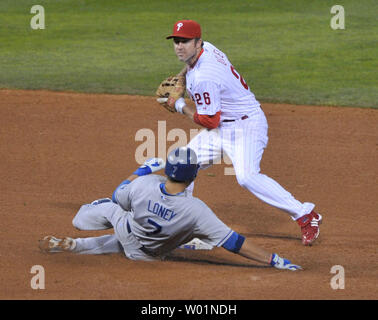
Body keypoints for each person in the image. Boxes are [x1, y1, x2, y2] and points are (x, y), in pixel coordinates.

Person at [161, 20, 322, 246]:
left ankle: (306, 215)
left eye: (185, 41)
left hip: (246, 127)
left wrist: (178, 105)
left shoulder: (206, 76)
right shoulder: (208, 49)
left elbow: (209, 120)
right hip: (223, 127)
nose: (179, 46)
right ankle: (182, 225)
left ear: (197, 42)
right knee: (186, 162)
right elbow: (192, 70)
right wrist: (182, 77)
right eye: (177, 41)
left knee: (247, 177)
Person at [39, 147, 301, 271]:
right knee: (131, 238)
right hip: (148, 254)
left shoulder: (145, 184)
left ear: (169, 169)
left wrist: (142, 169)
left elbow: (118, 194)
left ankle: (78, 229)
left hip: (128, 228)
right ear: (192, 177)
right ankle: (78, 245)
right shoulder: (196, 210)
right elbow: (234, 242)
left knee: (111, 207)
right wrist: (274, 260)